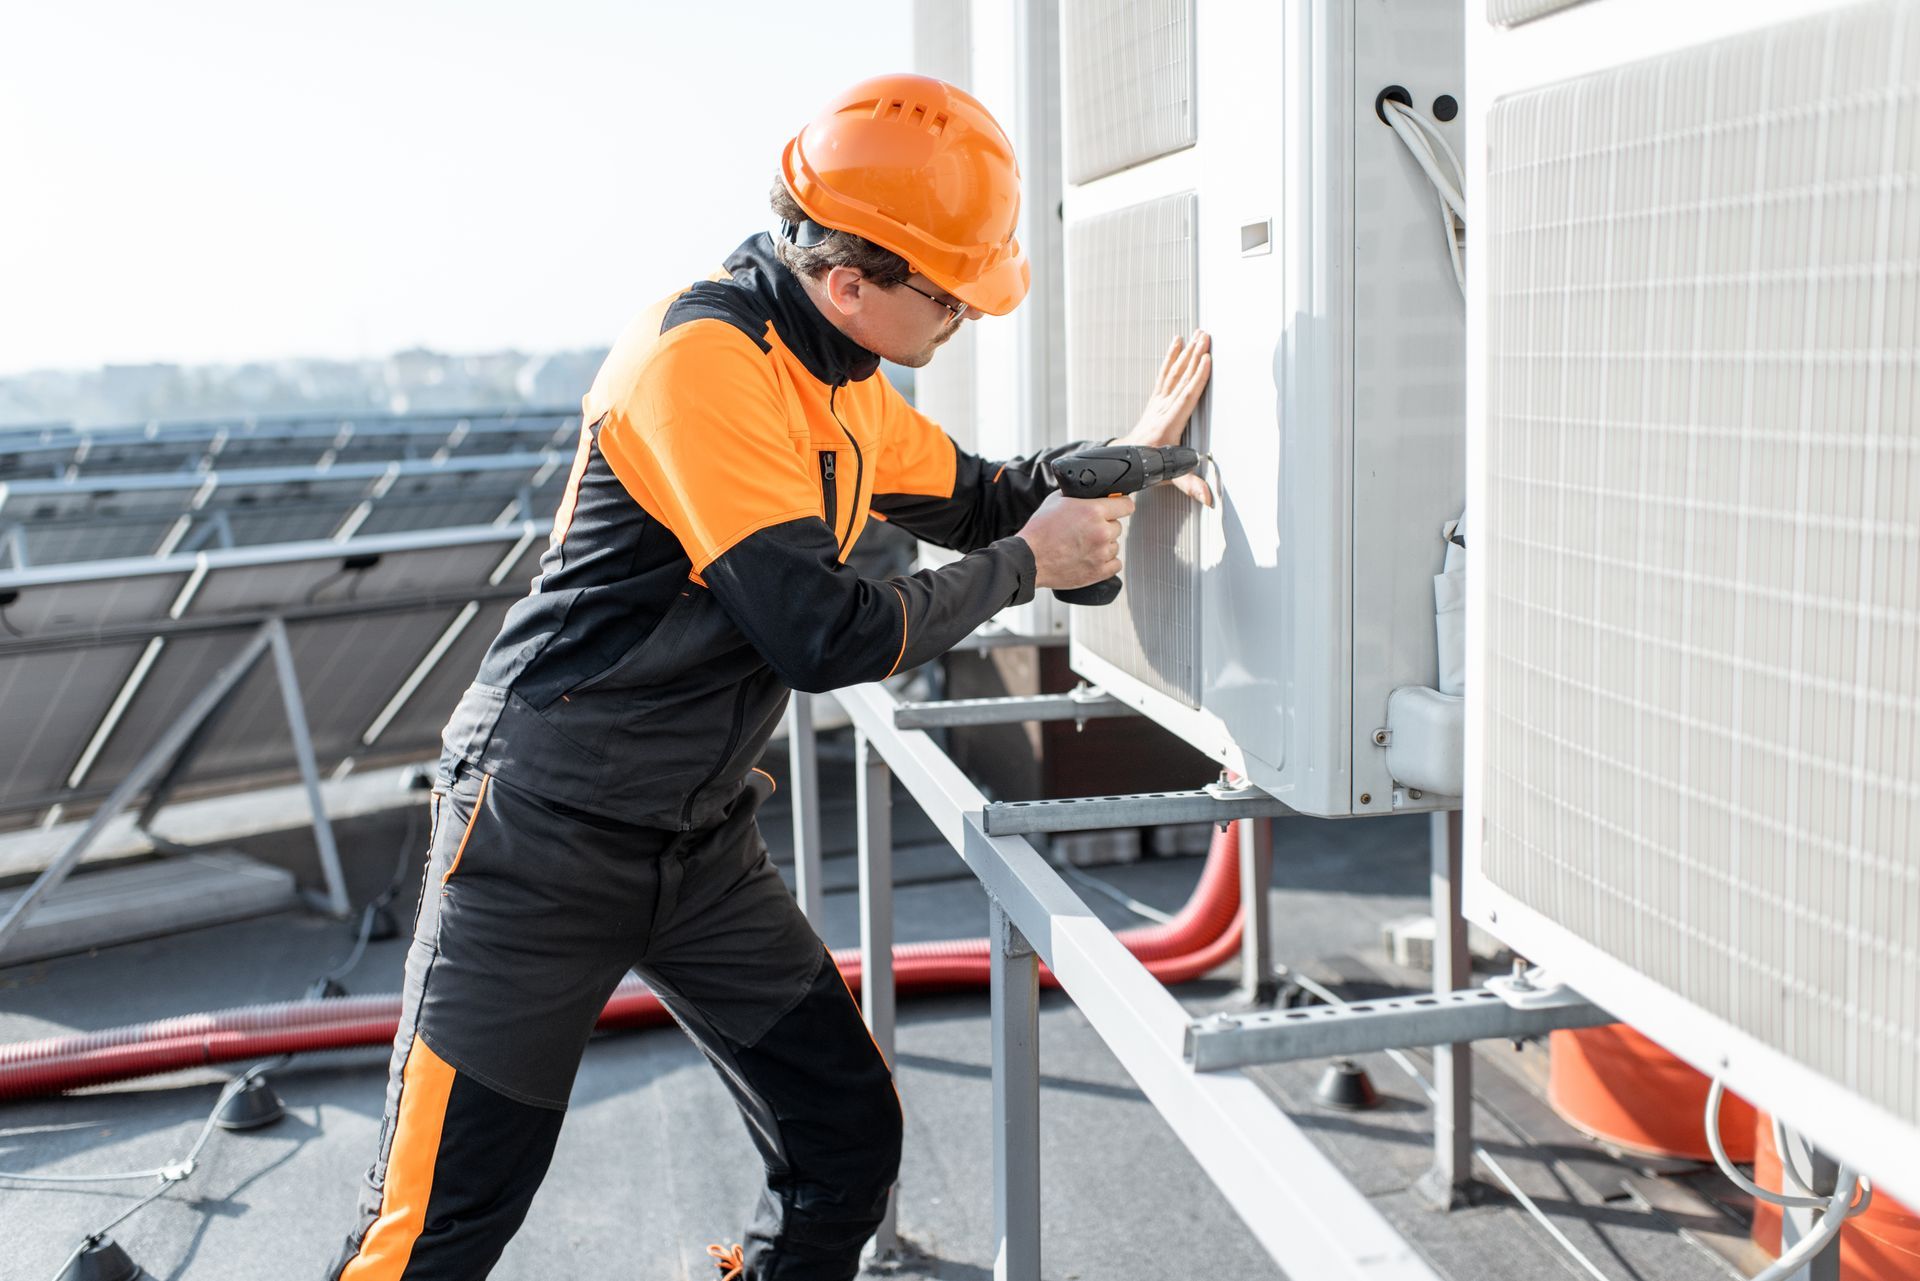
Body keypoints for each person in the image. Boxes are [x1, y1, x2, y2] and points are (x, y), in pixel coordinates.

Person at [326, 72, 1211, 1281]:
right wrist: (1024, 566)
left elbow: (987, 497)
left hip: (696, 845)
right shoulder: (702, 363)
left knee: (843, 1141)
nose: (967, 321)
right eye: (950, 299)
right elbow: (822, 633)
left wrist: (1122, 463)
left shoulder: (844, 379)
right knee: (438, 1229)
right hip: (541, 838)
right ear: (852, 282)